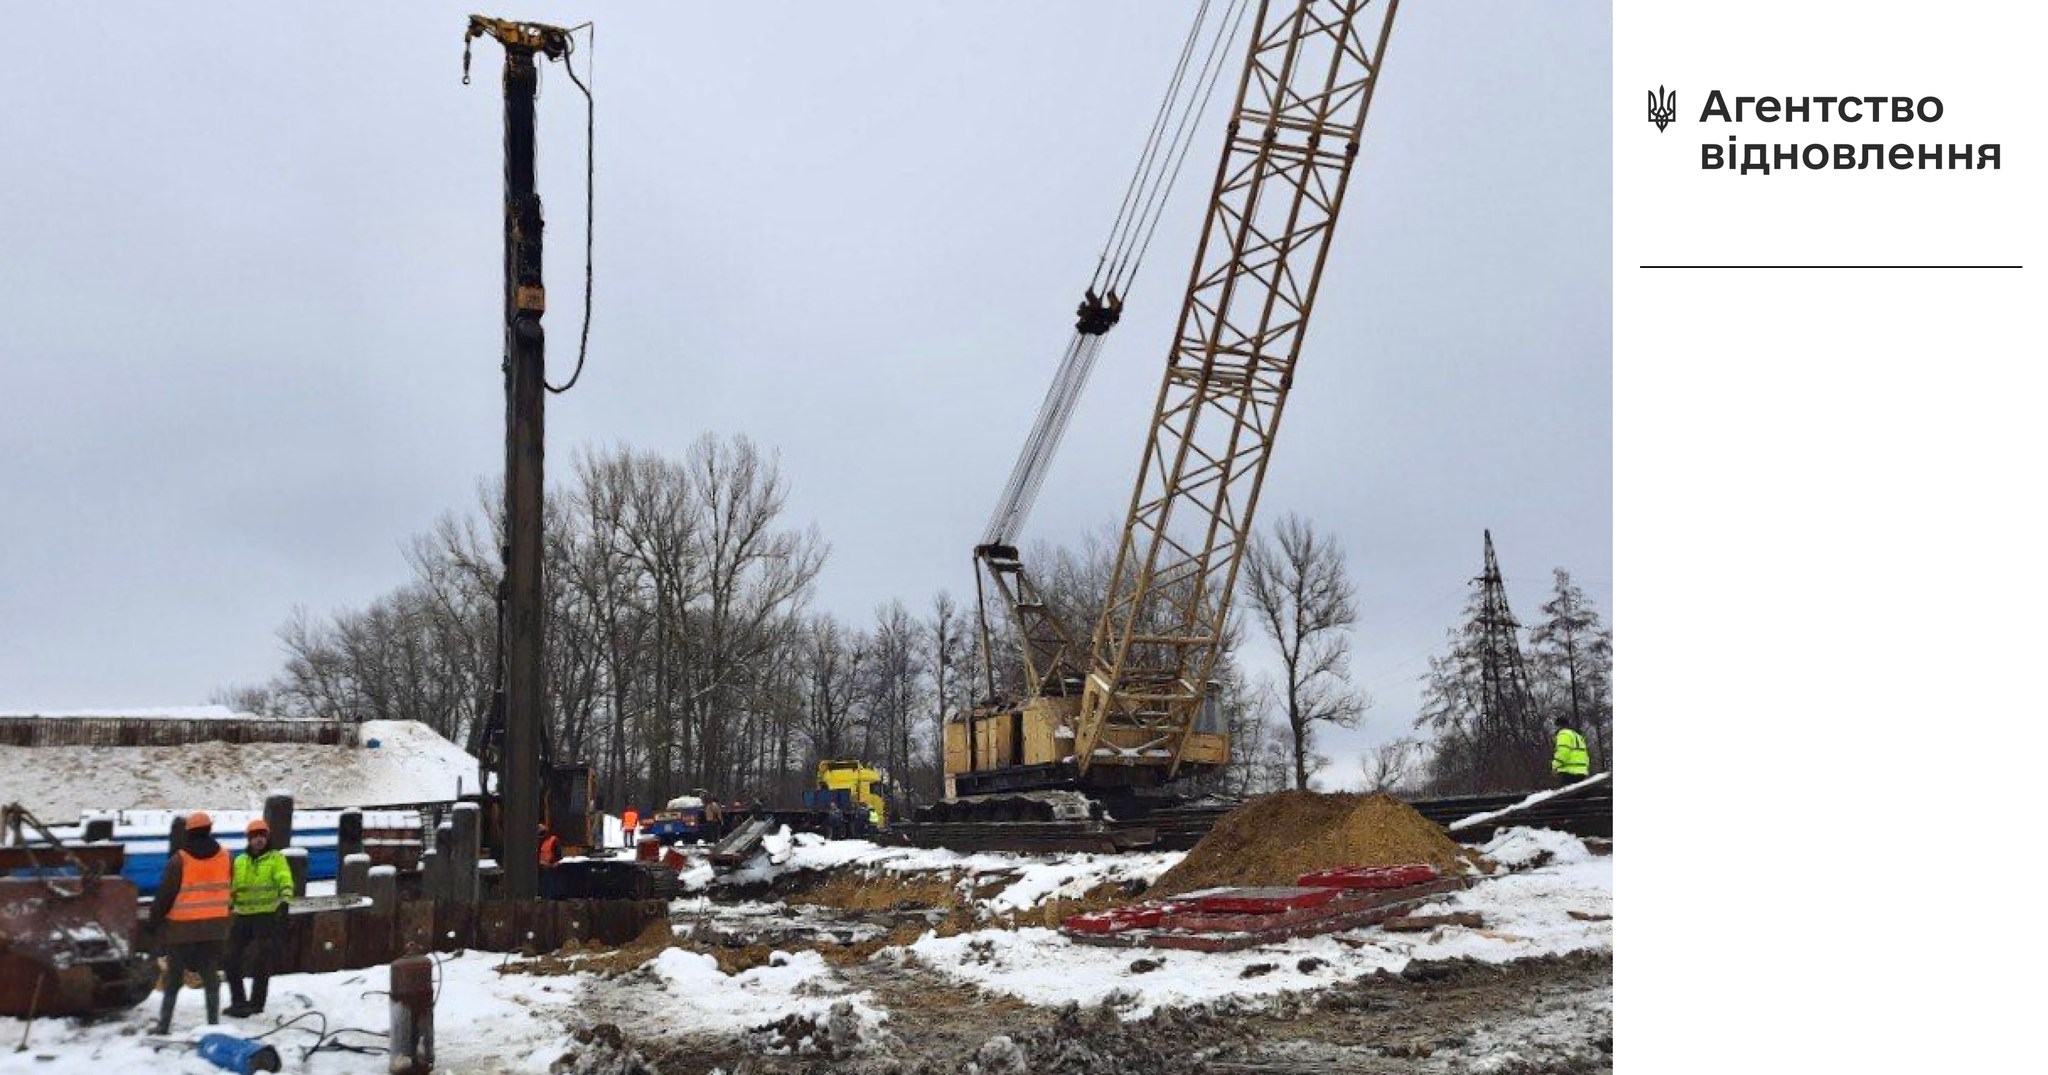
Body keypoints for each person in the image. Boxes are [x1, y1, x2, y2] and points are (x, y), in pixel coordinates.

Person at [147, 810, 232, 1035]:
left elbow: (165, 896)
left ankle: (164, 1025)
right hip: (214, 929)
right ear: (210, 829)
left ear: (188, 833)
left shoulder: (179, 860)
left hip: (181, 931)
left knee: (173, 979)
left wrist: (153, 922)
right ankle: (213, 1023)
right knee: (211, 977)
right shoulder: (226, 857)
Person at [225, 818, 293, 1017]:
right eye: (255, 836)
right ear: (249, 839)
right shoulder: (239, 861)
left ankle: (256, 1003)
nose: (259, 840)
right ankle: (238, 1001)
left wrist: (285, 900)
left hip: (266, 914)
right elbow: (233, 886)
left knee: (261, 960)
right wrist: (228, 903)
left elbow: (285, 878)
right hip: (243, 915)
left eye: (262, 836)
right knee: (230, 959)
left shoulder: (276, 858)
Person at [1552, 716, 1591, 788]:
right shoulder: (1577, 736)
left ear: (1559, 726)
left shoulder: (1563, 734)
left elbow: (1563, 752)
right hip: (1581, 771)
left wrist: (1555, 765)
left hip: (1569, 772)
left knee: (1565, 797)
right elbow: (1585, 755)